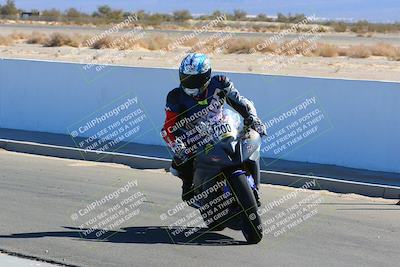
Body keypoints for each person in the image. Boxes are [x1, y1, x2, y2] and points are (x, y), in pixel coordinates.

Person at [161, 53, 266, 203]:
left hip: (223, 126)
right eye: (186, 78)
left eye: (195, 79)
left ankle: (252, 183)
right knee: (180, 160)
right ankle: (188, 186)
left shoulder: (220, 83)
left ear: (206, 75)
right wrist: (177, 145)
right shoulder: (175, 96)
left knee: (249, 139)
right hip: (193, 135)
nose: (190, 83)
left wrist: (253, 118)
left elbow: (240, 102)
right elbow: (168, 127)